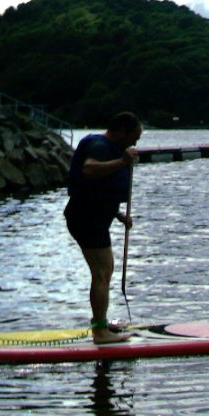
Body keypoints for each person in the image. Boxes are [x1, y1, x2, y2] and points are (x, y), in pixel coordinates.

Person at [64, 112, 141, 344]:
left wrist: (117, 214)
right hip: (87, 218)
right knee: (101, 273)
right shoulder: (100, 146)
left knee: (105, 272)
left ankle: (102, 323)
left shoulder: (106, 145)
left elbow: (97, 187)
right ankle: (100, 332)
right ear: (121, 131)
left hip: (93, 216)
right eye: (133, 137)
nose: (134, 143)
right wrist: (123, 162)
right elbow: (89, 169)